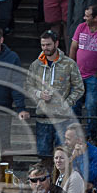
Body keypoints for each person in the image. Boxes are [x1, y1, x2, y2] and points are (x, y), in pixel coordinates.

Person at [27, 30, 84, 158]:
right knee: (43, 155)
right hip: (43, 117)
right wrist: (39, 94)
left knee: (63, 155)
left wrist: (67, 103)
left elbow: (79, 88)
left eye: (48, 45)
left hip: (62, 118)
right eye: (43, 45)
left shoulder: (69, 64)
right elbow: (28, 86)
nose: (45, 48)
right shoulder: (36, 65)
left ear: (56, 43)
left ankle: (61, 178)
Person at [68, 4, 97, 141]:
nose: (84, 18)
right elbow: (73, 48)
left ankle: (91, 136)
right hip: (78, 75)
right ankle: (75, 136)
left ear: (96, 18)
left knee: (91, 107)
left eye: (87, 16)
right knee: (75, 106)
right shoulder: (81, 27)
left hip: (93, 76)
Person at [64, 122, 97, 188]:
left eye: (68, 139)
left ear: (79, 139)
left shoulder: (96, 152)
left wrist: (82, 156)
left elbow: (89, 177)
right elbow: (62, 173)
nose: (65, 142)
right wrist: (72, 157)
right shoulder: (66, 151)